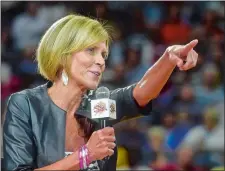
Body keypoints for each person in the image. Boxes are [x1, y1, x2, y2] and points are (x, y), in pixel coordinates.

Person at [3, 14, 199, 171]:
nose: (101, 61)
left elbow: (141, 93)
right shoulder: (25, 105)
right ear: (62, 53)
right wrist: (85, 155)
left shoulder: (100, 104)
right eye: (91, 50)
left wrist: (169, 57)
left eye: (103, 54)